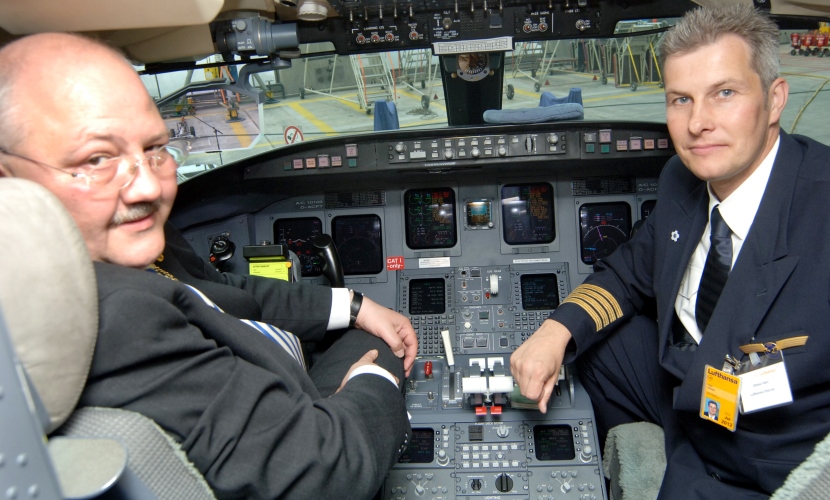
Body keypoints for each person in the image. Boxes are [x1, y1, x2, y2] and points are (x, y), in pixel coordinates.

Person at [0, 32, 416, 498]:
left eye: (154, 148)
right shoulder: (118, 319)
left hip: (273, 378)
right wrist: (376, 378)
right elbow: (324, 469)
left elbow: (220, 289)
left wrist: (354, 305)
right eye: (97, 159)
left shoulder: (125, 244)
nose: (147, 189)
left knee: (368, 329)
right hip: (304, 422)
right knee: (381, 349)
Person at [511, 4, 830, 498]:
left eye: (724, 93)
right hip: (687, 385)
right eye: (681, 99)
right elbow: (628, 275)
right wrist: (554, 333)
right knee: (595, 348)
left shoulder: (821, 207)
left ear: (774, 99)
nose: (697, 122)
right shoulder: (683, 180)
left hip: (765, 456)